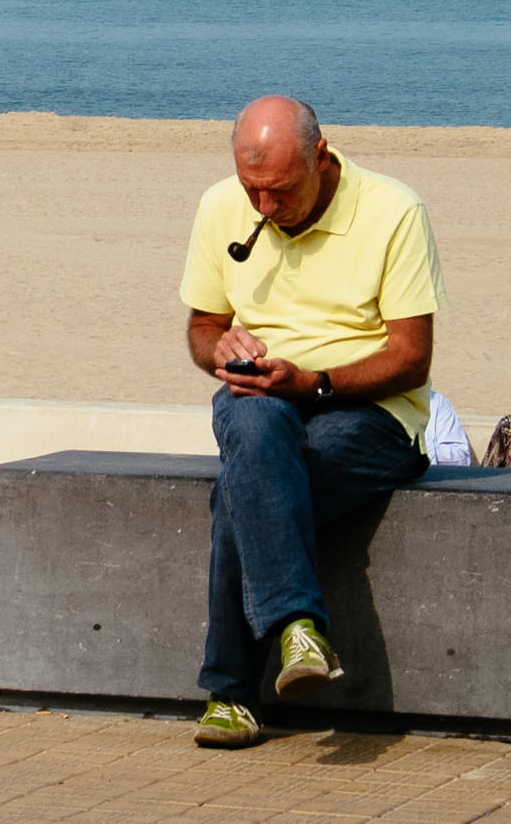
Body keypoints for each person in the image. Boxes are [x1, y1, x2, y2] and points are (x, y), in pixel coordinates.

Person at [179, 95, 446, 749]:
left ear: (321, 158)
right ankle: (299, 627)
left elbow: (411, 357)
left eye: (281, 191)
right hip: (264, 405)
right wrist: (221, 351)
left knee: (245, 486)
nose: (265, 208)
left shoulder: (393, 210)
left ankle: (231, 690)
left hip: (372, 415)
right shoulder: (222, 206)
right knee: (254, 422)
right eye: (253, 191)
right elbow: (202, 324)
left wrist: (317, 381)